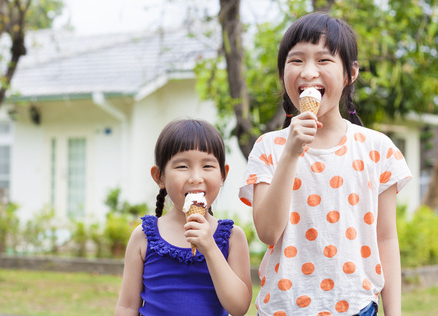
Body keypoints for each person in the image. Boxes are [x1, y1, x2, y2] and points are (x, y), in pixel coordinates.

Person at [239, 12, 412, 316]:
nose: (308, 72)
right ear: (283, 73)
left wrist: (393, 313)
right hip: (283, 307)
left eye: (323, 60)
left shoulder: (377, 148)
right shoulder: (268, 147)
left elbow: (385, 237)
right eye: (296, 60)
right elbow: (267, 232)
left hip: (357, 306)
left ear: (351, 73)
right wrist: (291, 152)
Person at [115, 118, 252, 316]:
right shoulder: (143, 236)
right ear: (159, 177)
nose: (196, 177)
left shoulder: (233, 238)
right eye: (182, 166)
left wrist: (210, 248)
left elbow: (239, 308)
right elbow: (127, 306)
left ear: (223, 175)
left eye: (207, 166)